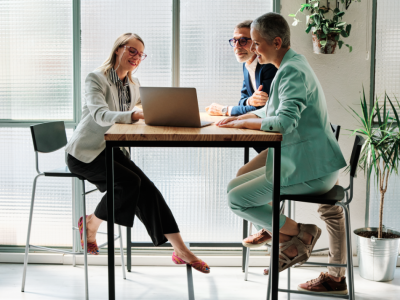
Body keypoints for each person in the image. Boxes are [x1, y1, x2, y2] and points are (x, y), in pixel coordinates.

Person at [217, 13, 348, 294]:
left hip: (313, 169)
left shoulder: (291, 71)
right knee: (233, 187)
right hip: (303, 160)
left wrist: (247, 120)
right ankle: (296, 234)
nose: (253, 49)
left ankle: (301, 233)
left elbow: (285, 122)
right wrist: (242, 116)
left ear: (276, 42)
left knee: (237, 199)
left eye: (256, 43)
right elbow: (274, 111)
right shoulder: (290, 64)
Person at [65, 33, 210, 274]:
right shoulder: (96, 79)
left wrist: (171, 111)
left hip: (112, 151)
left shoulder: (134, 84)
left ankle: (180, 249)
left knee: (147, 187)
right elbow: (100, 115)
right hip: (85, 154)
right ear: (117, 49)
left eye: (140, 54)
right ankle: (90, 224)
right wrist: (132, 115)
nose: (136, 57)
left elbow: (148, 106)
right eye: (132, 51)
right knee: (130, 183)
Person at [205, 20, 277, 118]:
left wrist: (225, 110)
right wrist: (250, 101)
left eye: (243, 41)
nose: (237, 46)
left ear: (255, 42)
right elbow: (242, 101)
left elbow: (263, 110)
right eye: (234, 41)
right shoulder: (246, 65)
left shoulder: (268, 66)